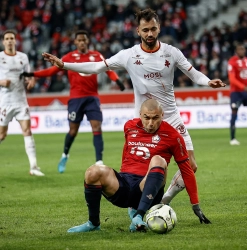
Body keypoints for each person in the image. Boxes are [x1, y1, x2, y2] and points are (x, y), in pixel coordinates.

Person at [41, 8, 225, 212]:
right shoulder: (128, 55)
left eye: (153, 29)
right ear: (138, 30)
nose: (150, 34)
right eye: (145, 30)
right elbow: (96, 68)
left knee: (191, 165)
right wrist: (64, 65)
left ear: (159, 28)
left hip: (171, 117)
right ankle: (139, 202)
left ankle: (164, 201)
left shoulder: (172, 52)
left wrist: (208, 82)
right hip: (144, 121)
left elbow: (193, 73)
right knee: (143, 168)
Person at [67, 99, 211, 233]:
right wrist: (122, 174)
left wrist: (195, 204)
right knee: (93, 172)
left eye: (155, 118)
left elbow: (187, 170)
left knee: (158, 160)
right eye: (146, 118)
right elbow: (126, 153)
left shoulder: (173, 136)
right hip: (124, 185)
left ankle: (139, 215)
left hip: (148, 188)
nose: (150, 123)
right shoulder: (129, 126)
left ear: (162, 115)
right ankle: (93, 223)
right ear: (140, 115)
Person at [21, 30, 125, 173]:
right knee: (73, 130)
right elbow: (52, 71)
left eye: (84, 40)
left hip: (92, 97)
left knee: (97, 127)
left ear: (87, 41)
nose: (82, 42)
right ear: (75, 42)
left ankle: (99, 161)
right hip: (76, 99)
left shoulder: (96, 56)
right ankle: (65, 155)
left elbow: (108, 69)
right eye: (79, 40)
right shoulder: (69, 57)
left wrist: (117, 80)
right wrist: (33, 74)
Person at [0, 30, 44, 176]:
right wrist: (1, 82)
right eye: (7, 38)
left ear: (16, 40)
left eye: (12, 38)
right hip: (5, 102)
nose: (10, 41)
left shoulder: (23, 57)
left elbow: (28, 75)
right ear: (3, 42)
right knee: (2, 135)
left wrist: (31, 81)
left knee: (27, 131)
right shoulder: (0, 57)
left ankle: (33, 167)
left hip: (20, 101)